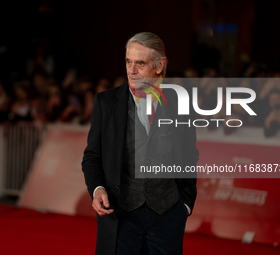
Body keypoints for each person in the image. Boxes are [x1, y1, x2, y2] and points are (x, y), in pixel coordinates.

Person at [82, 32, 199, 255]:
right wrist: (97, 189)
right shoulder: (106, 103)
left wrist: (185, 204)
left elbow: (189, 156)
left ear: (159, 65)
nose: (131, 70)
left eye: (140, 63)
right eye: (128, 62)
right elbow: (92, 157)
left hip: (167, 215)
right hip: (121, 215)